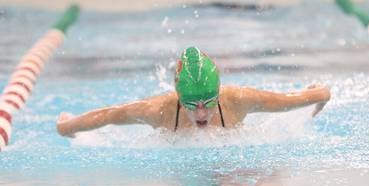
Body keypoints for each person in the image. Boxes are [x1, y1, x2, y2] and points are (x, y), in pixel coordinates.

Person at [57, 46, 331, 137]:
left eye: (209, 103)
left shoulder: (238, 100)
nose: (201, 112)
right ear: (178, 98)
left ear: (219, 94)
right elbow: (110, 115)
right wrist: (67, 127)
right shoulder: (158, 111)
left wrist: (317, 97)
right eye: (192, 105)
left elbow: (295, 99)